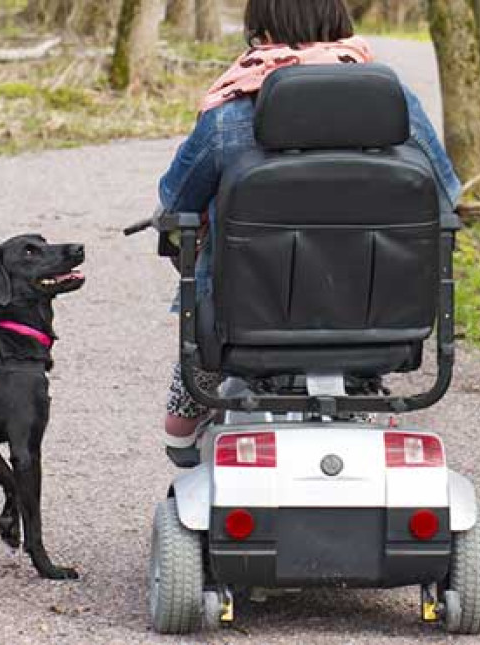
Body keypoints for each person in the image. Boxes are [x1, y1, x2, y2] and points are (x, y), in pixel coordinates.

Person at [158, 0, 463, 450]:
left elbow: (175, 200)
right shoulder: (396, 104)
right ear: (341, 26)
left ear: (260, 34)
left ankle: (185, 423)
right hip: (381, 319)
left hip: (243, 323)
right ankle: (359, 402)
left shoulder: (231, 112)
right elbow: (445, 195)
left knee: (191, 379)